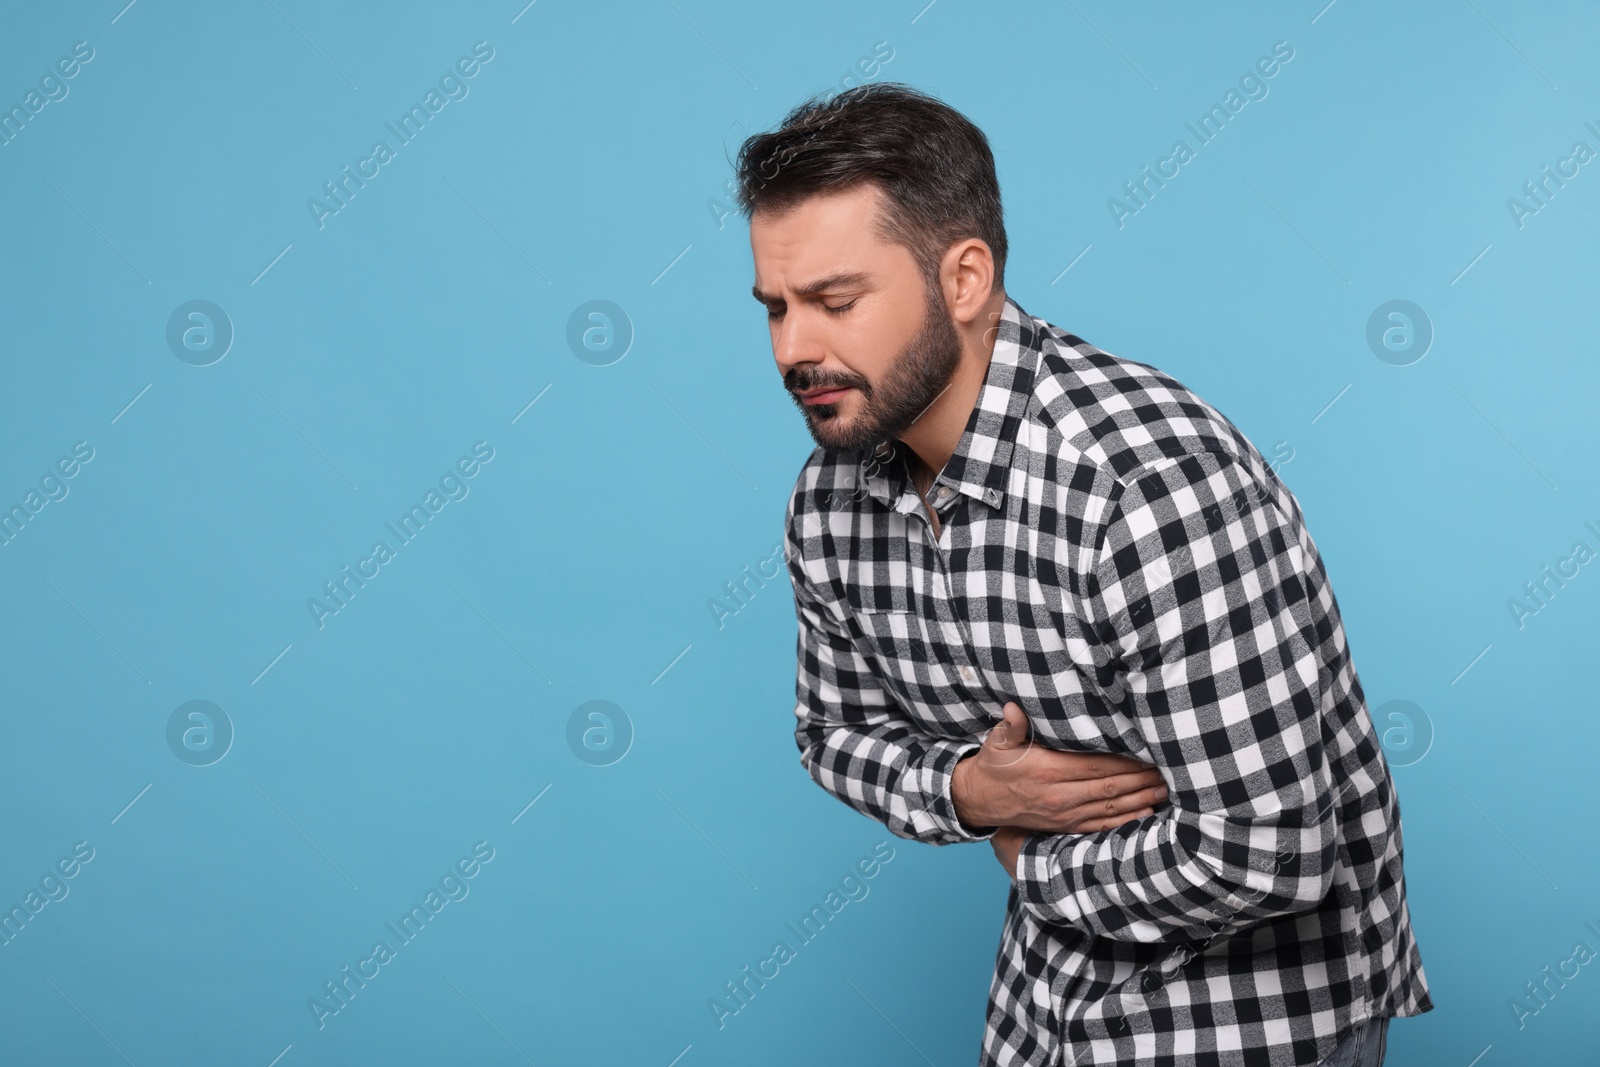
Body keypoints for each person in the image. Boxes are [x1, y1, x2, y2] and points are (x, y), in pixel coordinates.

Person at [737, 82, 1432, 1067]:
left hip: (1255, 1024)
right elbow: (833, 732)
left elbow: (1272, 848)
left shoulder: (1147, 488)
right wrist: (971, 789)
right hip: (1043, 1009)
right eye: (776, 308)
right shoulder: (829, 498)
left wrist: (1037, 859)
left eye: (835, 302)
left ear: (965, 278)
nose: (795, 347)